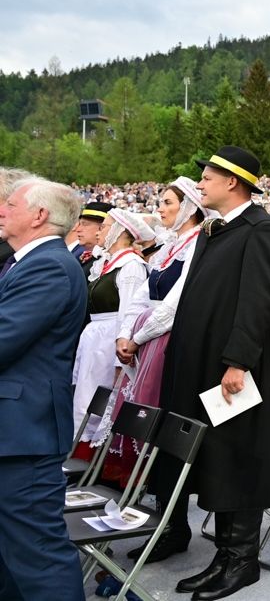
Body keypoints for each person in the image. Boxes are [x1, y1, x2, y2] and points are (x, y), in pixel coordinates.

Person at [159, 146, 270, 599]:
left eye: (208, 177)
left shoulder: (260, 230)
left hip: (236, 367)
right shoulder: (215, 229)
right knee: (218, 457)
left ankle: (242, 559)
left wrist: (239, 361)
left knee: (238, 456)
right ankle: (223, 555)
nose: (200, 184)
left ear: (233, 182)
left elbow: (258, 300)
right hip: (206, 361)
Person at [0, 178, 89, 600]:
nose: (2, 209)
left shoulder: (48, 266)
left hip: (24, 433)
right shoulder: (28, 262)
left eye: (10, 203)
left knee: (38, 556)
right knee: (13, 552)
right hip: (16, 430)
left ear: (38, 215)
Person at [100, 178, 208, 497]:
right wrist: (124, 334)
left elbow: (175, 303)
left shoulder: (197, 245)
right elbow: (141, 297)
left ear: (189, 207)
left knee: (160, 412)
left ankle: (164, 498)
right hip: (146, 337)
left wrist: (138, 337)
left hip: (169, 338)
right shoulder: (168, 249)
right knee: (139, 410)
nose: (160, 209)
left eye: (167, 203)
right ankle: (140, 490)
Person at [73, 207, 153, 448]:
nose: (99, 232)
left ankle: (90, 447)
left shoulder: (131, 266)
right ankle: (79, 443)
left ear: (119, 231)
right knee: (85, 392)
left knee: (99, 394)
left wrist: (120, 359)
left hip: (110, 336)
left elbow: (129, 311)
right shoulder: (107, 264)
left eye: (104, 227)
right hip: (96, 335)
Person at [76, 200, 114, 276]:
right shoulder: (82, 256)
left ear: (102, 227)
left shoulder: (109, 261)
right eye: (79, 224)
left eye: (85, 224)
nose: (78, 229)